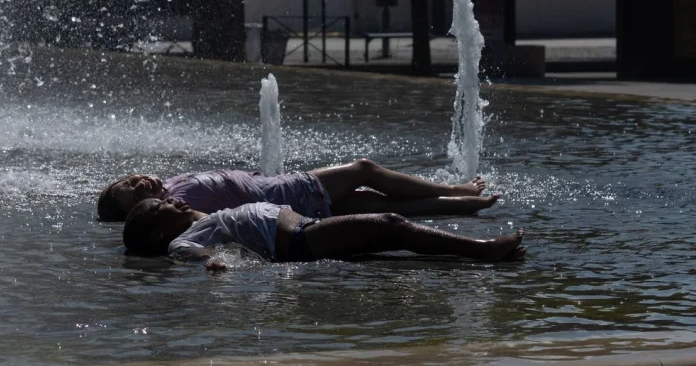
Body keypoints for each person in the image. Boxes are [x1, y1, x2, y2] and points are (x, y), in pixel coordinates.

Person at [123, 198, 526, 269]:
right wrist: (217, 263)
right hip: (301, 240)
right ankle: (483, 249)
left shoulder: (195, 221)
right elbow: (189, 255)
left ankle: (482, 253)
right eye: (163, 209)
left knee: (392, 239)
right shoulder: (179, 241)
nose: (173, 203)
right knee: (389, 224)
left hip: (305, 233)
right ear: (157, 234)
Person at [97, 159, 499, 222]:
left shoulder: (171, 185)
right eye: (133, 194)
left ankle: (459, 207)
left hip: (284, 194)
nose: (139, 184)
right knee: (364, 170)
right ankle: (454, 189)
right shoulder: (172, 204)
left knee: (378, 206)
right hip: (290, 192)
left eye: (131, 180)